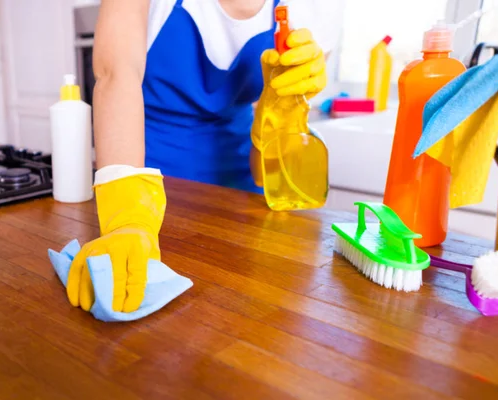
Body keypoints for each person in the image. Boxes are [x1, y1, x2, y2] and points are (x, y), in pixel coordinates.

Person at [66, 0, 345, 313]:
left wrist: (280, 111)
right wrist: (126, 220)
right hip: (142, 179)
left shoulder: (316, 9)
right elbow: (117, 76)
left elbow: (263, 174)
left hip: (238, 190)